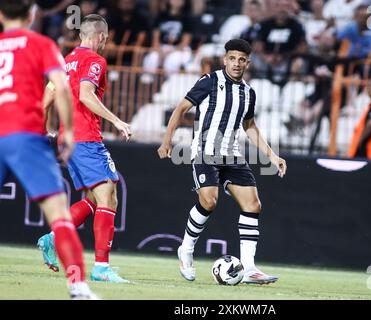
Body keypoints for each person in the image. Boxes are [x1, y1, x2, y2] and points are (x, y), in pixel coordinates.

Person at [158, 39, 287, 284]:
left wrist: (272, 155)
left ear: (247, 63)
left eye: (241, 59)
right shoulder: (209, 81)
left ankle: (248, 268)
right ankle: (185, 249)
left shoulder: (248, 92)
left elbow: (250, 126)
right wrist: (167, 141)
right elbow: (180, 109)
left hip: (232, 155)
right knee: (209, 200)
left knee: (253, 205)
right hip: (205, 152)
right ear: (225, 59)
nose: (236, 63)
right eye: (232, 58)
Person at [0, 0, 97, 299]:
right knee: (59, 217)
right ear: (31, 14)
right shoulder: (41, 44)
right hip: (25, 136)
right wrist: (66, 131)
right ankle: (78, 285)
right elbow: (62, 87)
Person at [37, 14, 132, 283]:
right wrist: (117, 120)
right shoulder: (95, 61)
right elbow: (85, 94)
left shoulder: (64, 62)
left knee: (93, 198)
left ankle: (54, 237)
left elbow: (46, 100)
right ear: (101, 37)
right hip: (86, 138)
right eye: (105, 38)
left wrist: (45, 129)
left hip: (68, 138)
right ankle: (101, 267)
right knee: (108, 197)